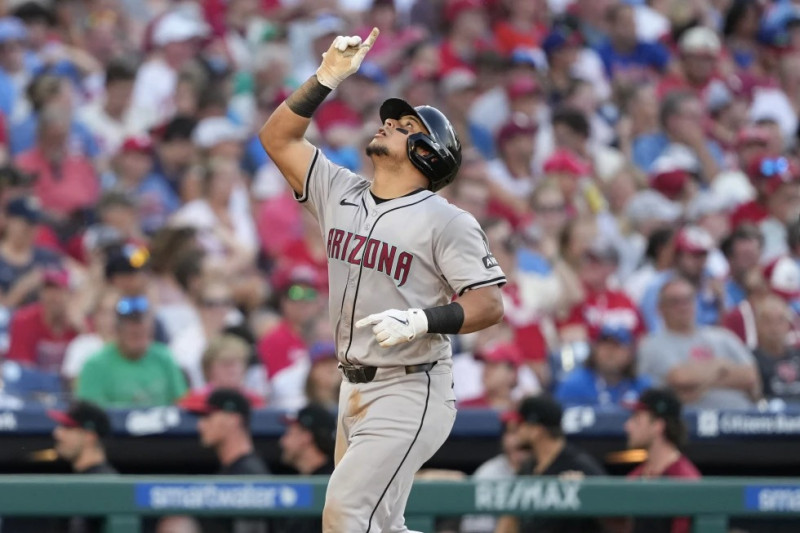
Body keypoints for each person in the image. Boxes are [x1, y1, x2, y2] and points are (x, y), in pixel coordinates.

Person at [259, 28, 505, 532]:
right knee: (382, 526)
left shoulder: (447, 220)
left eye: (405, 124)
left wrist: (422, 319)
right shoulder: (341, 192)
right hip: (351, 390)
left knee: (347, 515)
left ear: (429, 152)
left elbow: (489, 305)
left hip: (410, 387)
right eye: (389, 118)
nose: (389, 122)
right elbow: (277, 137)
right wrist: (325, 78)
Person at [638, 277, 760, 409]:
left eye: (688, 300)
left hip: (741, 420)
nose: (683, 307)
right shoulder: (653, 344)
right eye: (675, 302)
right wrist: (721, 366)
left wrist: (700, 385)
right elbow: (680, 378)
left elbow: (751, 376)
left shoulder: (723, 336)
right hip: (689, 423)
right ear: (660, 308)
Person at [495, 395, 606, 533]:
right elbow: (510, 518)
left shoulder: (580, 466)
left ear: (536, 430)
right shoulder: (528, 468)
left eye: (520, 425)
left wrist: (581, 494)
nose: (517, 431)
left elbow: (615, 520)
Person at [182, 387, 268, 533]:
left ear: (233, 419)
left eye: (207, 417)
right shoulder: (232, 470)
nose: (200, 425)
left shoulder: (249, 474)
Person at [76, 295, 187, 407]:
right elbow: (89, 413)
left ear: (151, 328)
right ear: (117, 329)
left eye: (141, 322)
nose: (136, 328)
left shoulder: (164, 358)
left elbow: (182, 404)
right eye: (129, 324)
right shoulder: (95, 365)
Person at [624, 388, 701, 533]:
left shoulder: (684, 479)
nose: (627, 426)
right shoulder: (635, 477)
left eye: (636, 418)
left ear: (657, 426)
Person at [271, 403, 337, 533]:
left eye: (289, 433)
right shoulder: (303, 480)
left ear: (305, 437)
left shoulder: (332, 484)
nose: (282, 441)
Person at [556, 325, 653, 407]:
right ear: (594, 350)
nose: (610, 352)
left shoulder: (644, 388)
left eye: (617, 347)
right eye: (604, 346)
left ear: (630, 353)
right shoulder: (574, 386)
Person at [752, 296, 800, 402]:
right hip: (766, 416)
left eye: (780, 320)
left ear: (788, 325)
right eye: (767, 321)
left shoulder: (798, 356)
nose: (774, 327)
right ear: (757, 325)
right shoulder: (749, 359)